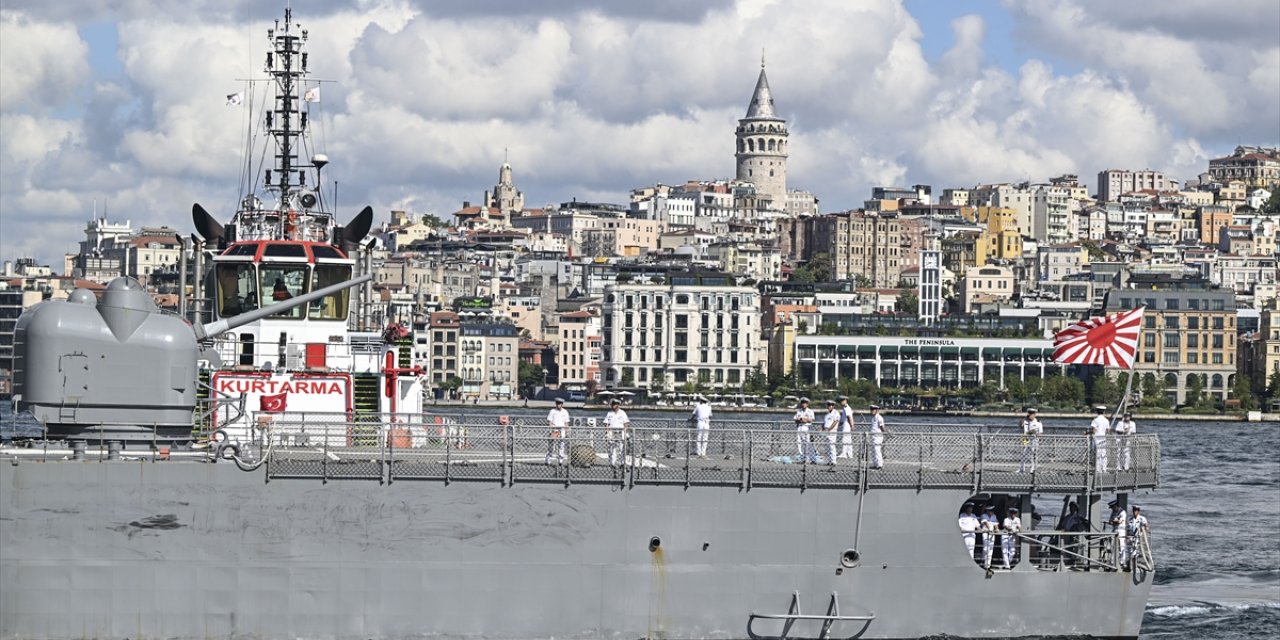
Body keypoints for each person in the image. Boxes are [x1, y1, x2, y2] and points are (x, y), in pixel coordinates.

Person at [603, 399, 630, 467]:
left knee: (621, 448)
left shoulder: (622, 413)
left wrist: (625, 432)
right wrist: (607, 432)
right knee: (612, 448)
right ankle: (612, 463)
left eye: (614, 404)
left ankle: (622, 463)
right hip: (612, 432)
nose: (613, 406)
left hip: (620, 432)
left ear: (618, 405)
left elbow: (626, 423)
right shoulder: (609, 413)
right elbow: (606, 423)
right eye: (612, 404)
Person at [545, 398, 570, 465]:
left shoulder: (565, 412)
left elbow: (566, 422)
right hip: (554, 430)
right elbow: (549, 421)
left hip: (562, 430)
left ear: (562, 404)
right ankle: (548, 460)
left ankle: (560, 460)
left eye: (560, 404)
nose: (558, 405)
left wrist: (567, 430)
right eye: (557, 404)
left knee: (561, 445)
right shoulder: (552, 411)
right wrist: (550, 429)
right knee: (551, 446)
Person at [792, 398, 817, 463]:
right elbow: (795, 419)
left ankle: (812, 459)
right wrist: (800, 419)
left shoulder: (810, 411)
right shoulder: (799, 411)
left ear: (807, 404)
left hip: (807, 427)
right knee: (799, 443)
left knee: (809, 444)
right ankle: (803, 458)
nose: (803, 404)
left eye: (805, 403)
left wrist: (804, 419)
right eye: (802, 403)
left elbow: (812, 420)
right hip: (800, 427)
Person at [1107, 498, 1128, 570]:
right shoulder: (1113, 512)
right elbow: (1110, 521)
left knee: (1122, 547)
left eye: (1113, 507)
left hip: (1121, 531)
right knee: (1112, 546)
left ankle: (1122, 562)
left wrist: (1114, 521)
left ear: (1116, 506)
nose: (1112, 509)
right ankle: (1112, 561)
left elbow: (1119, 521)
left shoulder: (1122, 512)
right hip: (1114, 530)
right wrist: (1114, 521)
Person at [1019, 408, 1043, 472]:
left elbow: (1040, 433)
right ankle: (1021, 468)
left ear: (1035, 414)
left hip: (1034, 440)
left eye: (1032, 414)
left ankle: (1032, 468)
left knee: (1032, 454)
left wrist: (1034, 433)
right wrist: (1023, 419)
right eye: (1029, 414)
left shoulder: (1038, 422)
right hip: (1025, 439)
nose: (1030, 415)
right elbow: (1020, 425)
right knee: (1023, 453)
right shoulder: (1025, 421)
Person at [1089, 405, 1110, 473]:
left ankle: (1098, 469)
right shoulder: (1106, 420)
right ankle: (1104, 469)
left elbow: (1093, 430)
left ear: (1097, 411)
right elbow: (1107, 430)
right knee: (1103, 454)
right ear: (1104, 411)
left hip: (1096, 438)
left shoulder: (1095, 420)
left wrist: (1087, 432)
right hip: (1103, 438)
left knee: (1097, 454)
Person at [867, 404, 889, 469]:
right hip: (873, 436)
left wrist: (885, 434)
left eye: (873, 410)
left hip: (878, 436)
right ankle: (875, 464)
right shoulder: (873, 418)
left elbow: (882, 427)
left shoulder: (879, 418)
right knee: (873, 451)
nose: (871, 411)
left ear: (876, 410)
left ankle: (880, 464)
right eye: (871, 410)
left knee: (877, 450)